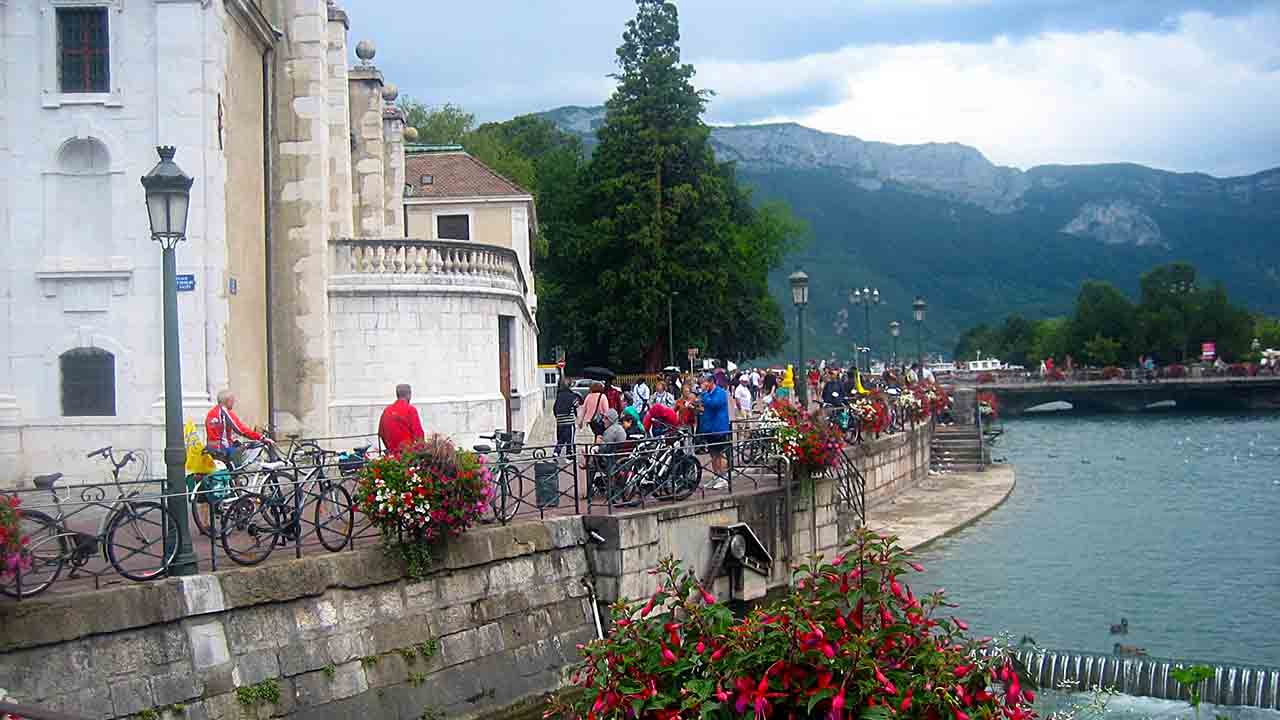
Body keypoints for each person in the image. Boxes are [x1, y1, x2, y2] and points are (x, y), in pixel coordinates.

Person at [205, 389, 265, 465]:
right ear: (228, 401)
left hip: (212, 448)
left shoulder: (212, 412)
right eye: (232, 401)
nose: (233, 403)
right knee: (247, 458)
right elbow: (241, 429)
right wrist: (260, 437)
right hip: (222, 449)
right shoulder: (224, 412)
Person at [698, 374, 731, 486]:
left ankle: (724, 477)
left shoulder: (720, 393)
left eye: (704, 383)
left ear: (711, 382)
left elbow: (713, 404)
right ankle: (716, 475)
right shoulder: (708, 394)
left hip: (719, 428)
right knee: (712, 453)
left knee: (720, 453)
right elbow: (705, 407)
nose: (702, 385)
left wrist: (704, 394)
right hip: (709, 428)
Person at [378, 383, 425, 456]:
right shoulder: (410, 410)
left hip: (392, 456)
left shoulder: (386, 410)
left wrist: (390, 450)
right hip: (407, 456)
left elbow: (381, 434)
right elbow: (419, 436)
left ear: (397, 394)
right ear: (409, 395)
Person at [552, 379, 581, 457]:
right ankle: (569, 454)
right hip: (569, 421)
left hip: (560, 421)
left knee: (561, 438)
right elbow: (577, 405)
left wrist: (558, 417)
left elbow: (554, 408)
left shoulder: (559, 395)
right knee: (569, 439)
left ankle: (556, 452)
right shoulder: (571, 395)